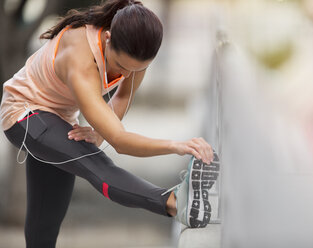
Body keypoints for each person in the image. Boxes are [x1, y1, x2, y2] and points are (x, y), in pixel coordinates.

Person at [0, 0, 220, 247]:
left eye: (137, 70)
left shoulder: (136, 49)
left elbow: (123, 96)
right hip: (25, 114)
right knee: (96, 165)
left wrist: (98, 133)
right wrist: (177, 146)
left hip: (61, 119)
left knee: (44, 227)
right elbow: (120, 141)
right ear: (107, 38)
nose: (126, 75)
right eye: (121, 66)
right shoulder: (80, 59)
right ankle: (175, 202)